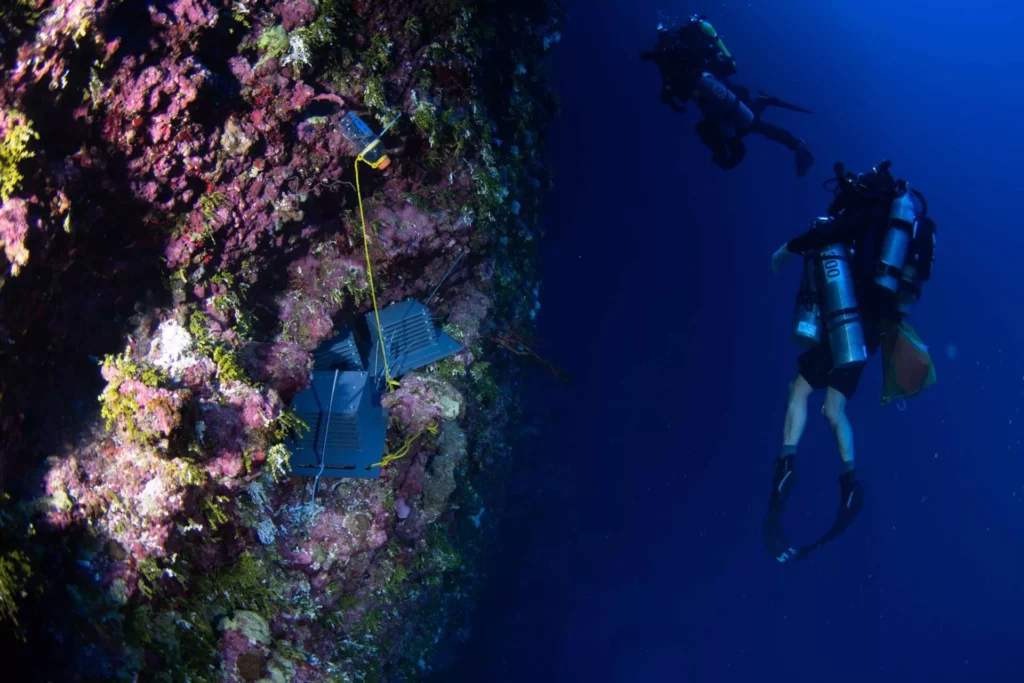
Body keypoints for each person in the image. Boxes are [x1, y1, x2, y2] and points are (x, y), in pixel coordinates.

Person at [764, 161, 937, 562]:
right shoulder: (898, 224)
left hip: (849, 324)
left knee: (798, 390)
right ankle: (850, 482)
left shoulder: (872, 212)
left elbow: (833, 231)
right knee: (834, 406)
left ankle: (785, 467)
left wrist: (788, 247)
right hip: (868, 335)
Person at [640, 15, 815, 177]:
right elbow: (668, 88)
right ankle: (766, 106)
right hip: (709, 102)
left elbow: (712, 62)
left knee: (751, 124)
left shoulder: (689, 48)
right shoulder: (668, 61)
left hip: (718, 91)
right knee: (745, 127)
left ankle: (795, 143)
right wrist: (671, 97)